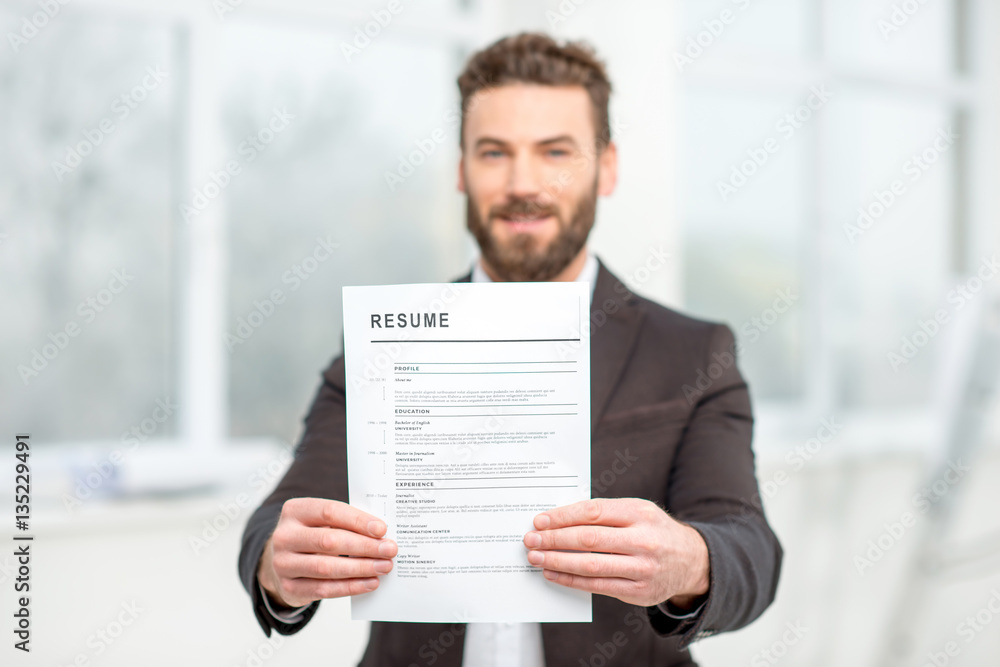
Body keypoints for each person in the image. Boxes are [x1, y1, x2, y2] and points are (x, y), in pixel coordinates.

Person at [238, 32, 782, 667]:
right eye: (494, 153)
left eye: (555, 152)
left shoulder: (692, 355)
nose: (524, 183)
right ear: (462, 170)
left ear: (606, 167)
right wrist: (280, 563)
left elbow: (751, 548)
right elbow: (275, 522)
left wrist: (690, 560)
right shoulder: (383, 342)